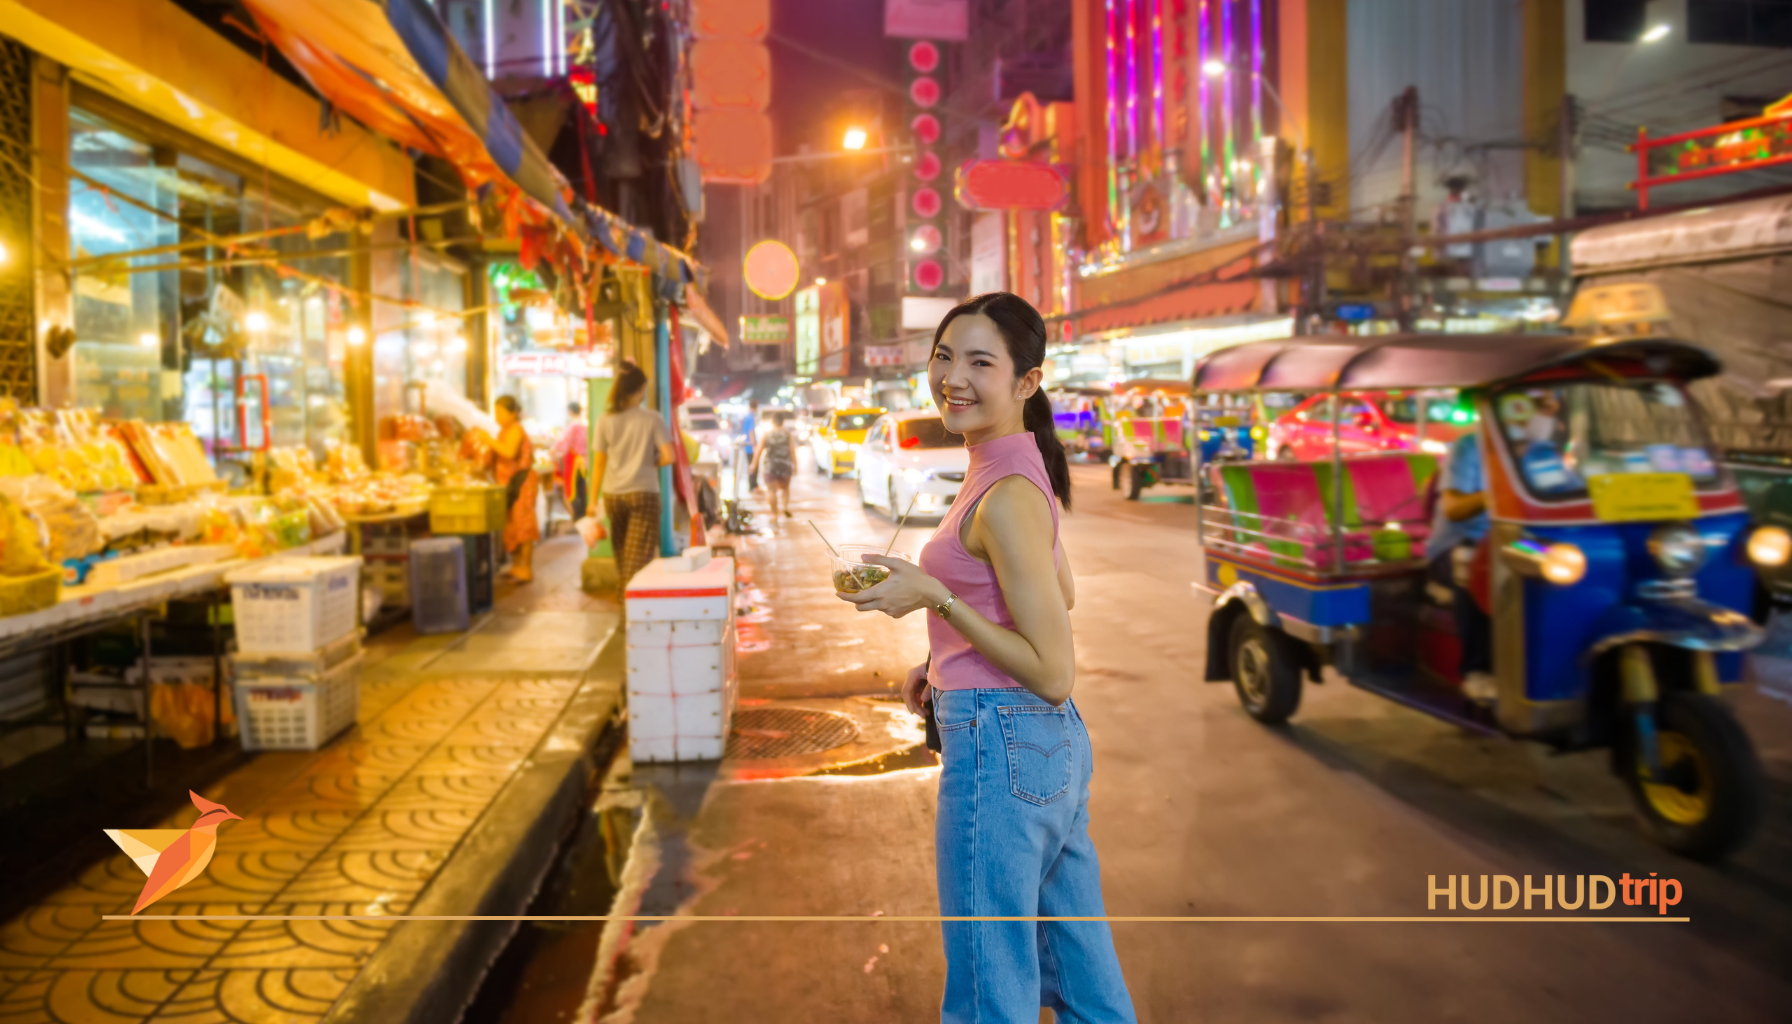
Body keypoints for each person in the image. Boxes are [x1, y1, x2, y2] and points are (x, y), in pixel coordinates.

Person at [837, 292, 1136, 1023]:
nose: (954, 378)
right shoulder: (1014, 469)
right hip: (1043, 747)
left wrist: (936, 600)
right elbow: (1053, 593)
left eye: (980, 362)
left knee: (986, 992)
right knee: (1084, 980)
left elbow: (1052, 666)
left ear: (1026, 383)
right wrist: (940, 663)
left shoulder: (1004, 491)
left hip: (1002, 749)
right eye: (944, 357)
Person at [1426, 413, 1495, 702]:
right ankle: (1476, 671)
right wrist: (1497, 494)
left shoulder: (1539, 451)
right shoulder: (1468, 448)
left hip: (1511, 544)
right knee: (1472, 561)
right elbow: (1453, 507)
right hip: (1455, 547)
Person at [591, 361, 675, 587]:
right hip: (643, 495)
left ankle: (626, 617)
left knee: (623, 561)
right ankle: (628, 619)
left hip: (613, 497)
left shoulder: (604, 420)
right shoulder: (652, 418)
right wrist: (653, 461)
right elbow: (670, 456)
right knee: (636, 564)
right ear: (639, 390)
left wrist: (591, 501)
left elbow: (598, 463)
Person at [491, 395, 539, 584]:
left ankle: (526, 569)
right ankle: (516, 566)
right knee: (512, 526)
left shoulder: (516, 430)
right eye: (495, 412)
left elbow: (509, 452)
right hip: (509, 485)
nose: (497, 416)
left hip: (521, 484)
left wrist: (487, 439)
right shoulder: (505, 430)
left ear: (513, 413)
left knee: (523, 525)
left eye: (501, 412)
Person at [750, 411, 796, 519]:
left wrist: (753, 464)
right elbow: (792, 451)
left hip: (771, 466)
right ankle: (785, 507)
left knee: (771, 491)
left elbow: (759, 450)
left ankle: (774, 514)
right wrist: (795, 465)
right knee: (785, 488)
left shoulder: (767, 434)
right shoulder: (788, 434)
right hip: (785, 465)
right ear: (782, 422)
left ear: (772, 422)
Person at [551, 401, 590, 520]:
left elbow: (563, 442)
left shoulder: (573, 426)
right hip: (584, 463)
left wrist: (552, 450)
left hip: (574, 463)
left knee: (573, 493)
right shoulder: (584, 426)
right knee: (581, 492)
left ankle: (579, 520)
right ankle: (583, 520)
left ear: (570, 412)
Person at [741, 398, 761, 492]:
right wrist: (754, 445)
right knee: (754, 466)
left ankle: (753, 485)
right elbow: (751, 432)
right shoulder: (751, 417)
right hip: (750, 447)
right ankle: (753, 486)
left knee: (752, 466)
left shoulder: (748, 417)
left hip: (747, 446)